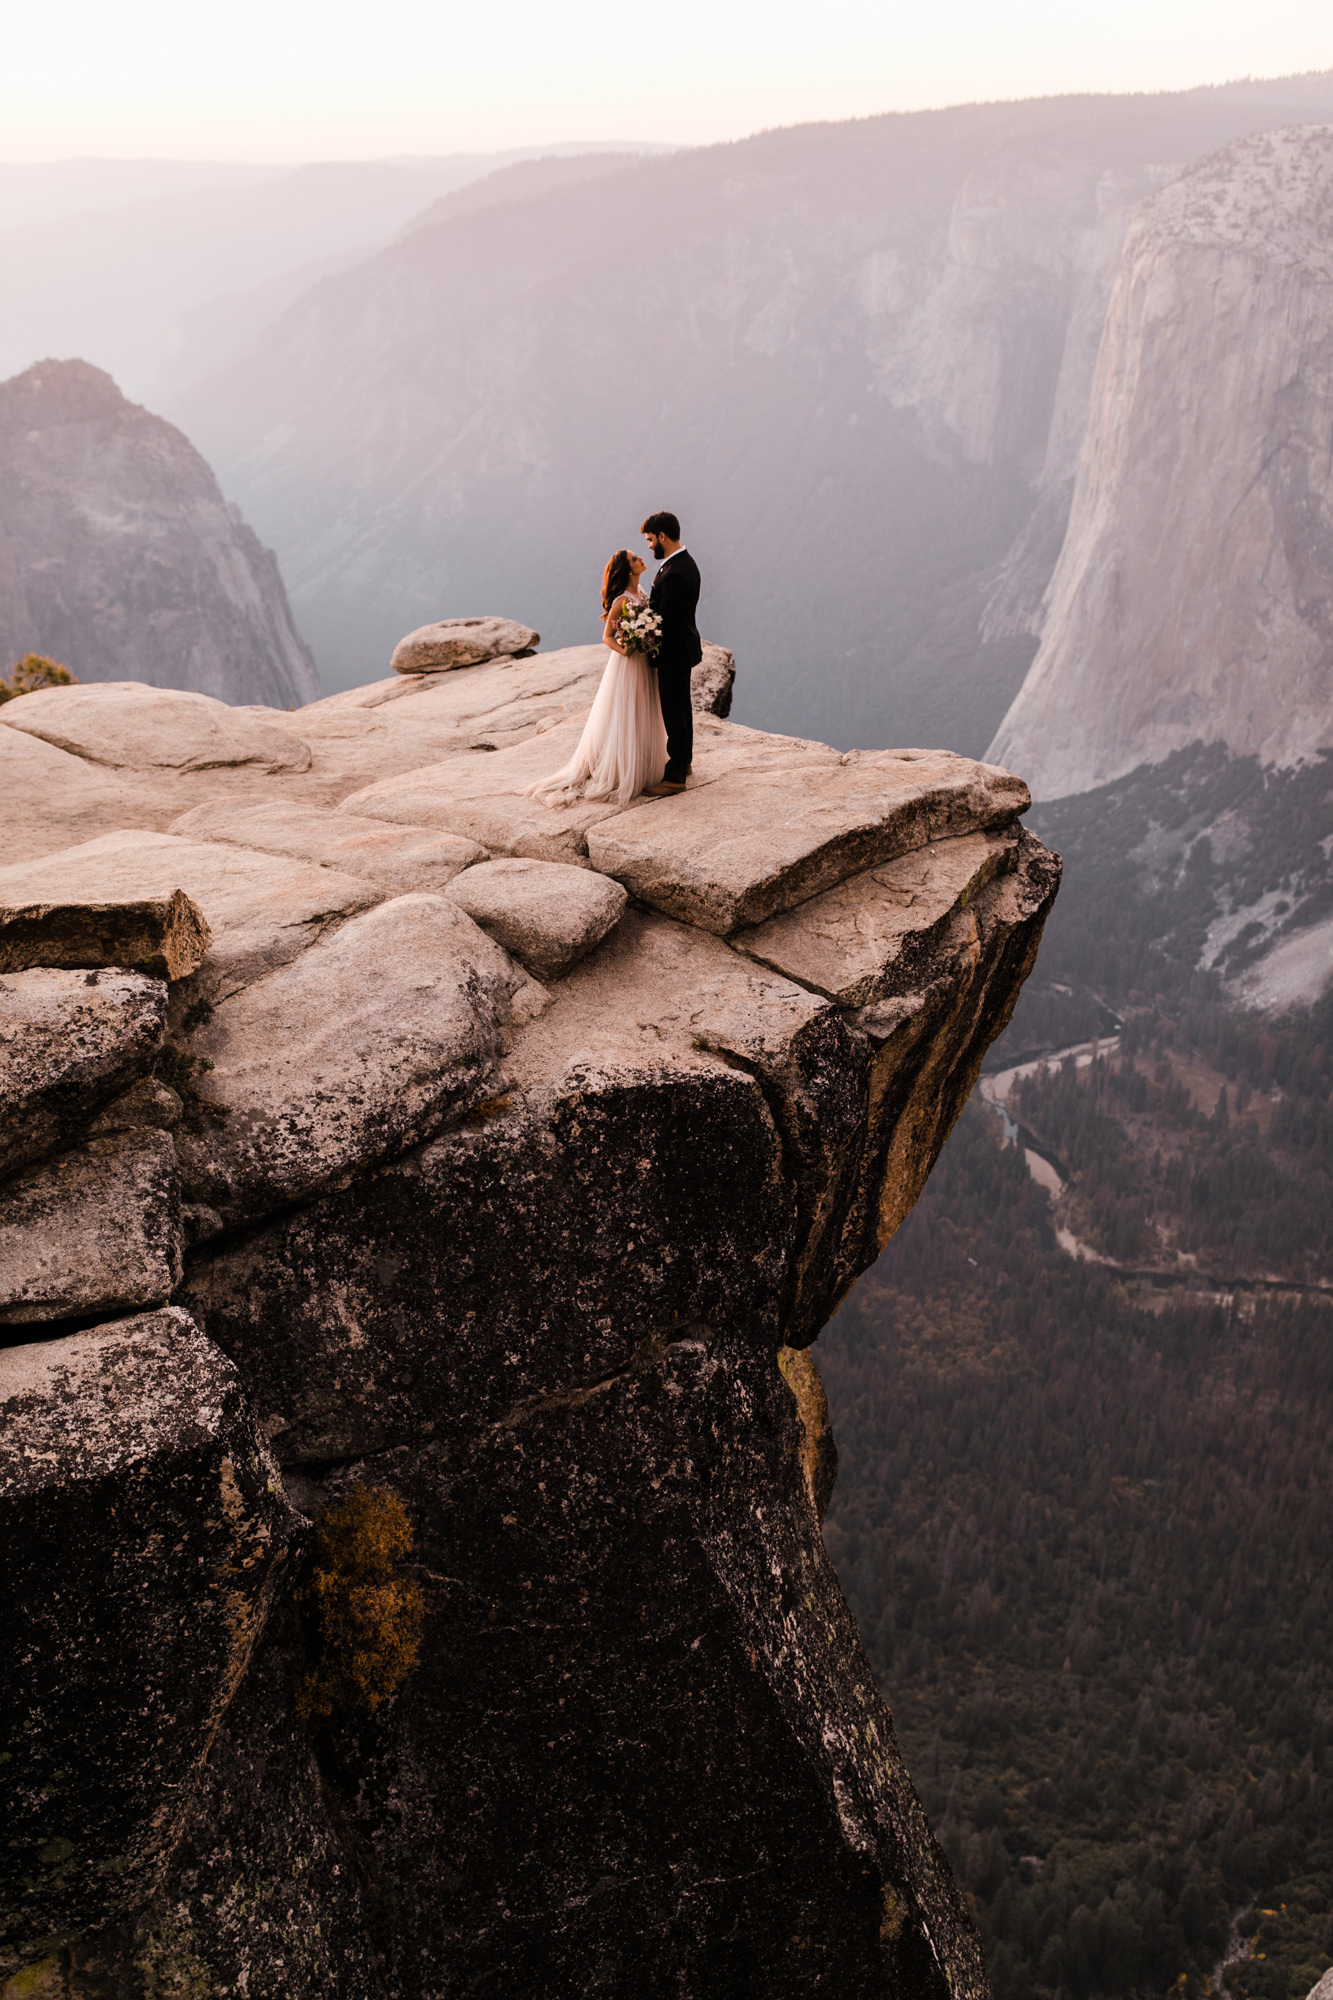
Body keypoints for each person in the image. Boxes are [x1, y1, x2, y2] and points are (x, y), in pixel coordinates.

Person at [525, 548, 667, 808]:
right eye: (635, 559)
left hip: (645, 661)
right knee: (628, 712)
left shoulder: (642, 593)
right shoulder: (622, 600)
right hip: (629, 664)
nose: (641, 559)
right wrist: (628, 649)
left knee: (644, 709)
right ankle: (624, 768)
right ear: (628, 570)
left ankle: (643, 765)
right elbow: (607, 637)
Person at [641, 511, 702, 796]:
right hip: (680, 650)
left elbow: (666, 619)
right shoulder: (681, 564)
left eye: (651, 540)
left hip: (673, 653)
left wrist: (640, 629)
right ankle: (684, 761)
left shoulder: (676, 572)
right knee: (681, 709)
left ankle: (675, 775)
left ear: (663, 536)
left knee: (674, 712)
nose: (650, 546)